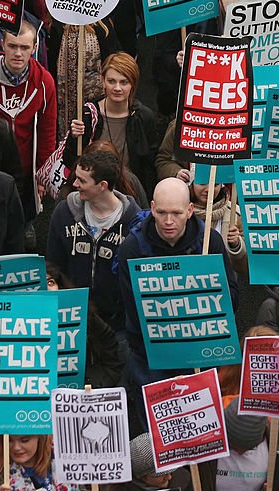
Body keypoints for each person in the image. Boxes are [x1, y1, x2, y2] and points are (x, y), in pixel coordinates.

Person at [116, 178, 241, 434]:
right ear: (151, 208)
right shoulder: (133, 247)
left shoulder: (211, 243)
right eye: (161, 212)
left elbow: (232, 298)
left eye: (176, 213)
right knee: (159, 434)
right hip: (152, 357)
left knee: (203, 433)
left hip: (200, 352)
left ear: (190, 210)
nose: (168, 221)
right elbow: (133, 310)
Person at [45, 150, 141, 335]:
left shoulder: (134, 222)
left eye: (82, 180)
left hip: (118, 325)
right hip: (73, 320)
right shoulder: (64, 212)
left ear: (102, 185)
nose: (75, 184)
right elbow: (53, 266)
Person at [50, 52, 159, 196]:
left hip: (129, 192)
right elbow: (70, 161)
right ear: (102, 81)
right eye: (112, 81)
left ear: (133, 84)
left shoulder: (144, 117)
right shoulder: (88, 115)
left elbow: (150, 166)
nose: (117, 88)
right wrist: (74, 137)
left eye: (124, 82)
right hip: (92, 193)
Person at [0, 21, 58, 216]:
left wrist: (43, 173)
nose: (18, 53)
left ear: (35, 48)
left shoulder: (44, 81)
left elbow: (48, 131)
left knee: (23, 214)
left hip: (26, 165)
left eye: (25, 47)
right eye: (12, 46)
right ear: (2, 44)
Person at [0, 435, 66, 491]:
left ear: (40, 437)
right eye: (10, 440)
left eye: (24, 440)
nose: (16, 447)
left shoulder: (64, 456)